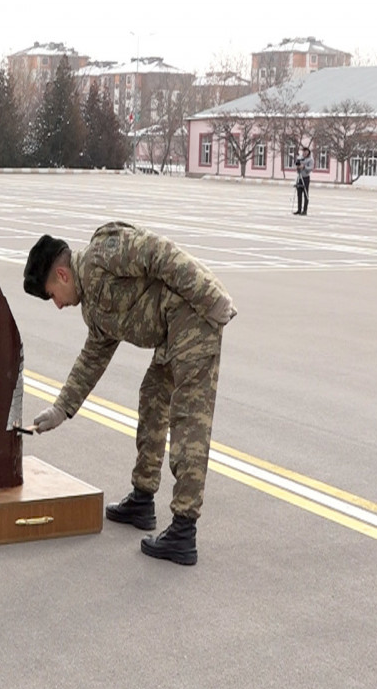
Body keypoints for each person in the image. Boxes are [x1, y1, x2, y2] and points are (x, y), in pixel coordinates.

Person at [23, 222, 236, 566]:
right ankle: (142, 499)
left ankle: (183, 531)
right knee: (152, 399)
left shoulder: (103, 254)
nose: (57, 306)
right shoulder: (92, 308)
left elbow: (160, 253)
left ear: (62, 275)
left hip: (194, 314)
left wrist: (211, 298)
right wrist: (60, 409)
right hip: (171, 331)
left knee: (188, 419)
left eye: (51, 296)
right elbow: (93, 357)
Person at [294, 146, 313, 216]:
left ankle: (305, 210)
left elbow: (311, 168)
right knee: (299, 194)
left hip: (305, 177)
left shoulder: (310, 159)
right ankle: (299, 209)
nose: (304, 153)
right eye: (303, 152)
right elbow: (295, 164)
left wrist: (304, 167)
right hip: (299, 177)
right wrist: (297, 166)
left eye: (306, 152)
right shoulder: (300, 158)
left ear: (308, 152)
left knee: (305, 193)